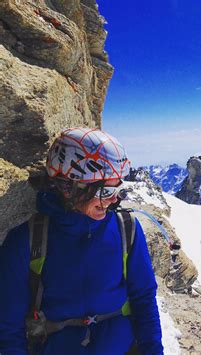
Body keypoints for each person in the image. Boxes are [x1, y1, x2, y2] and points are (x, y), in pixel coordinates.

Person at [0, 128, 164, 354]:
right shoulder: (25, 241)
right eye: (106, 190)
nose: (114, 200)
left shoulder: (127, 229)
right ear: (70, 188)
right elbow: (9, 327)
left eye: (118, 189)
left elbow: (144, 298)